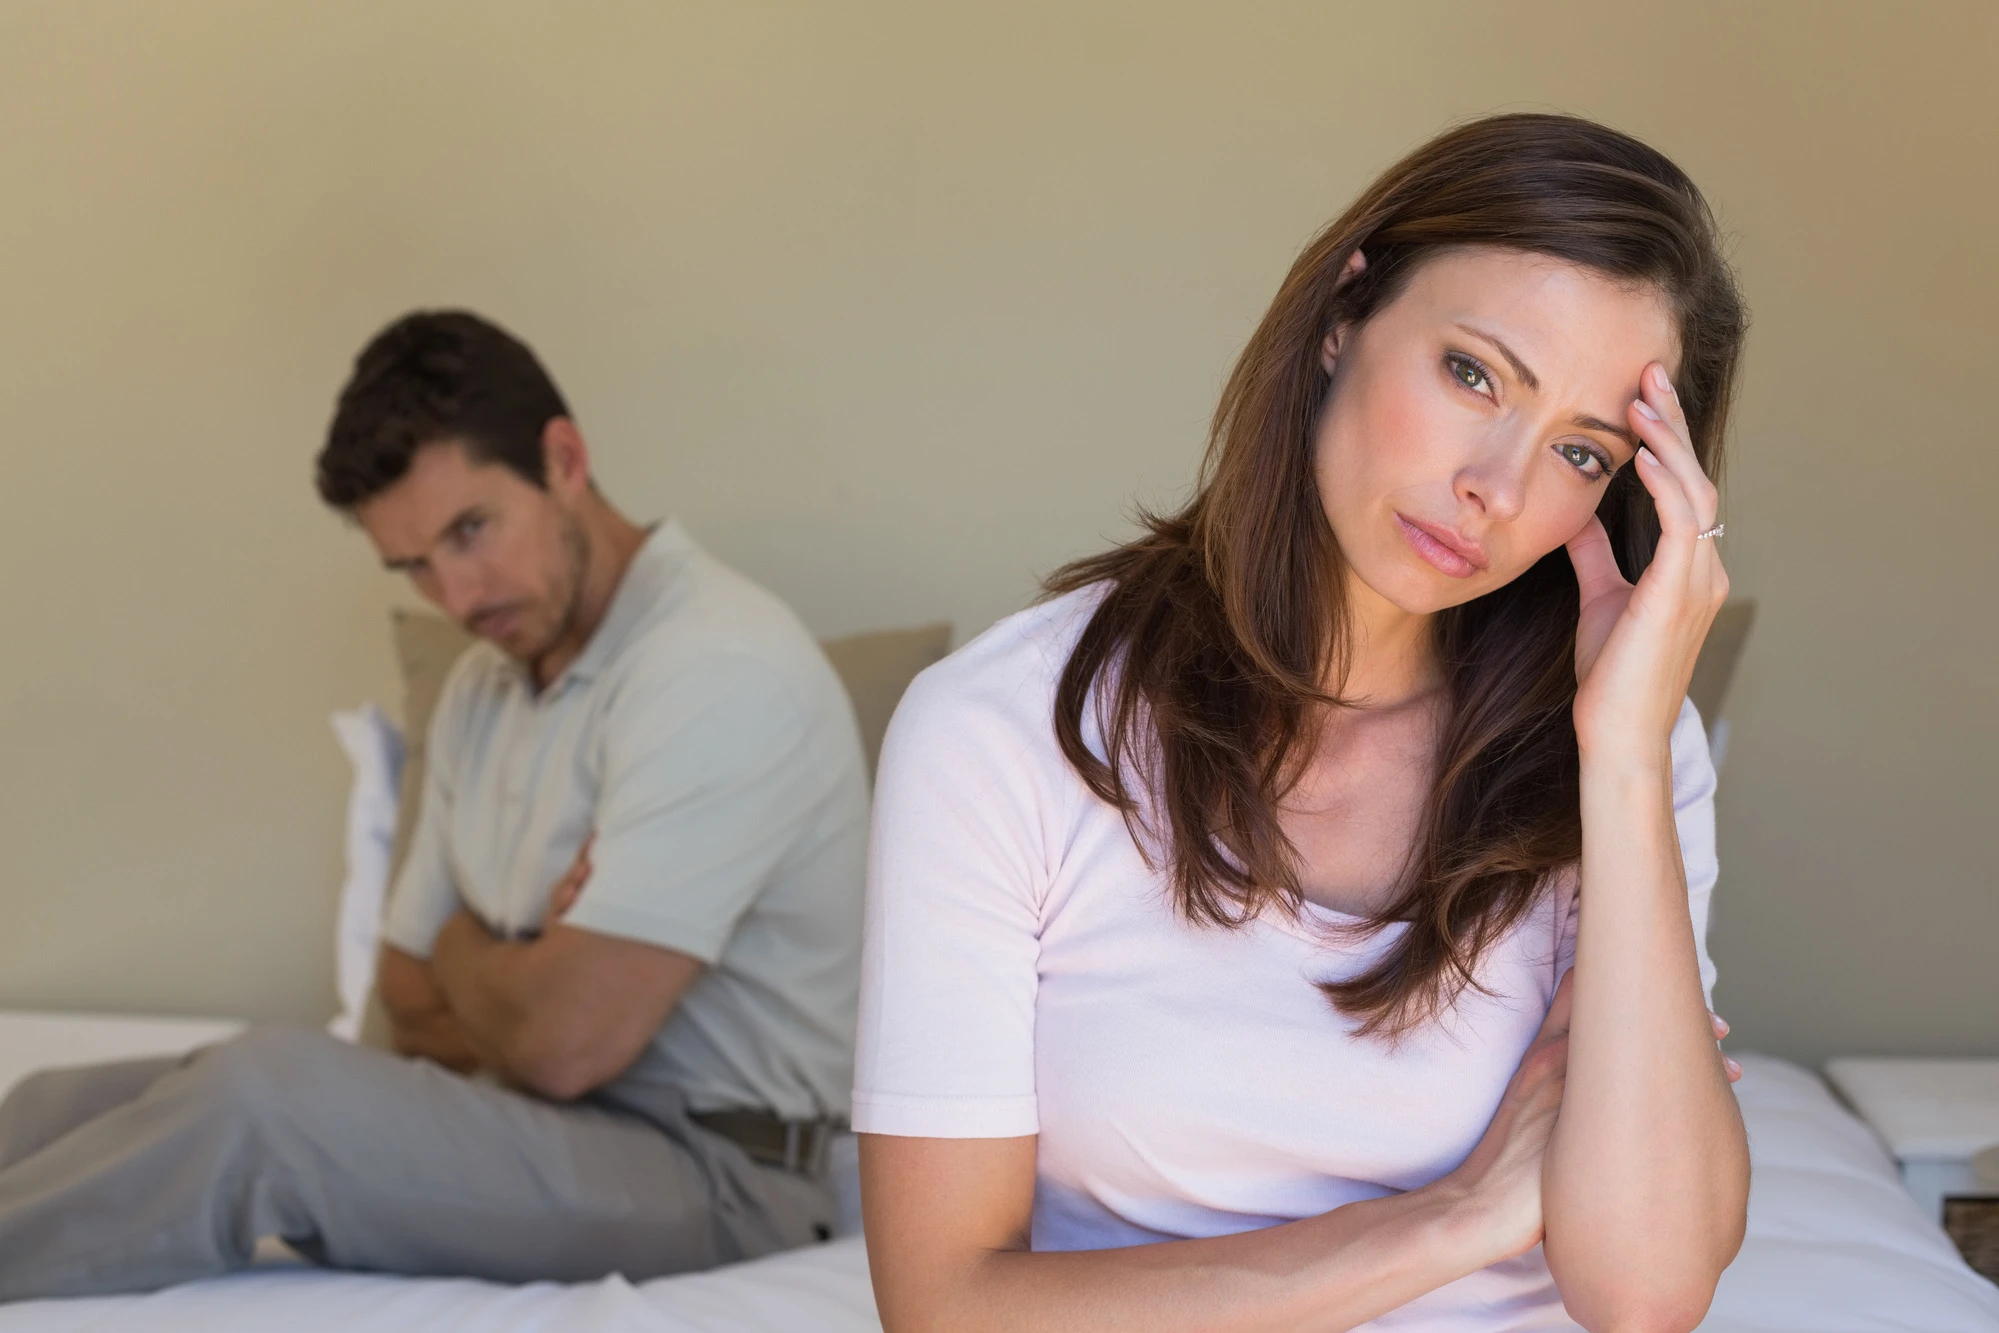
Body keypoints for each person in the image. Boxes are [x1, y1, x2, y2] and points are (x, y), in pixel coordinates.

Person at [856, 113, 1752, 1332]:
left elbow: (1646, 1288)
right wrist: (1461, 1216)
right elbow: (943, 1304)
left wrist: (1627, 763)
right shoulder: (1001, 731)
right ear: (1345, 314)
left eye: (1584, 452)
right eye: (1474, 372)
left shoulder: (1621, 749)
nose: (1496, 484)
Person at [0, 310, 870, 1299]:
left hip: (716, 1173)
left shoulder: (715, 667)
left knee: (261, 1103)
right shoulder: (480, 690)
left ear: (565, 459)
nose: (455, 596)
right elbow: (408, 1003)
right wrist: (531, 971)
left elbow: (562, 1040)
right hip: (538, 1114)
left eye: (470, 530)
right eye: (413, 564)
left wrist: (469, 952)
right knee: (52, 1104)